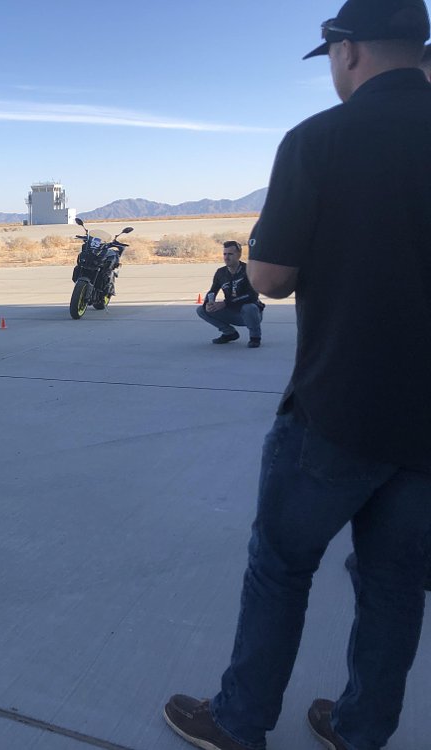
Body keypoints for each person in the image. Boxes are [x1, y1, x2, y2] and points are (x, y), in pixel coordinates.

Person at [163, 2, 431, 749]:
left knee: (280, 569)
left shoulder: (319, 139)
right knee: (395, 589)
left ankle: (242, 722)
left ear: (346, 53)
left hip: (338, 408)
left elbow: (271, 278)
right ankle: (361, 728)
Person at [195, 241, 265, 348]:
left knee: (250, 307)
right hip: (232, 312)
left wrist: (225, 303)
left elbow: (252, 296)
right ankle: (230, 333)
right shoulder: (220, 273)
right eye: (225, 254)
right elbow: (212, 291)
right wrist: (208, 303)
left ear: (239, 255)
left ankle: (255, 337)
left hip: (250, 314)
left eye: (230, 254)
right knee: (201, 310)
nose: (226, 257)